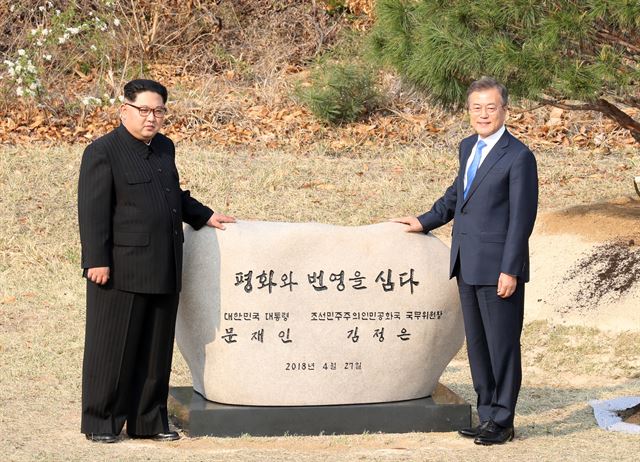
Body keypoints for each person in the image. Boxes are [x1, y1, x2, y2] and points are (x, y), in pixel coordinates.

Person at [78, 79, 235, 443]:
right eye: (144, 110)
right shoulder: (103, 151)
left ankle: (149, 420)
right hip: (120, 268)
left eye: (158, 111)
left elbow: (171, 195)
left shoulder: (164, 148)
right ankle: (102, 422)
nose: (152, 118)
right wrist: (96, 260)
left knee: (156, 350)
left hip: (164, 263)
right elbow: (92, 210)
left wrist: (204, 214)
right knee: (111, 348)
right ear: (124, 111)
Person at [392, 77, 538, 445]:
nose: (483, 114)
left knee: (502, 346)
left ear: (504, 110)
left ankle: (503, 421)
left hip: (498, 269)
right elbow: (458, 194)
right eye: (477, 107)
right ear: (468, 111)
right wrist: (425, 220)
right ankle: (487, 414)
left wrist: (511, 269)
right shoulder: (467, 147)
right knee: (478, 345)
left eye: (491, 107)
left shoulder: (519, 156)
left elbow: (522, 220)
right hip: (466, 264)